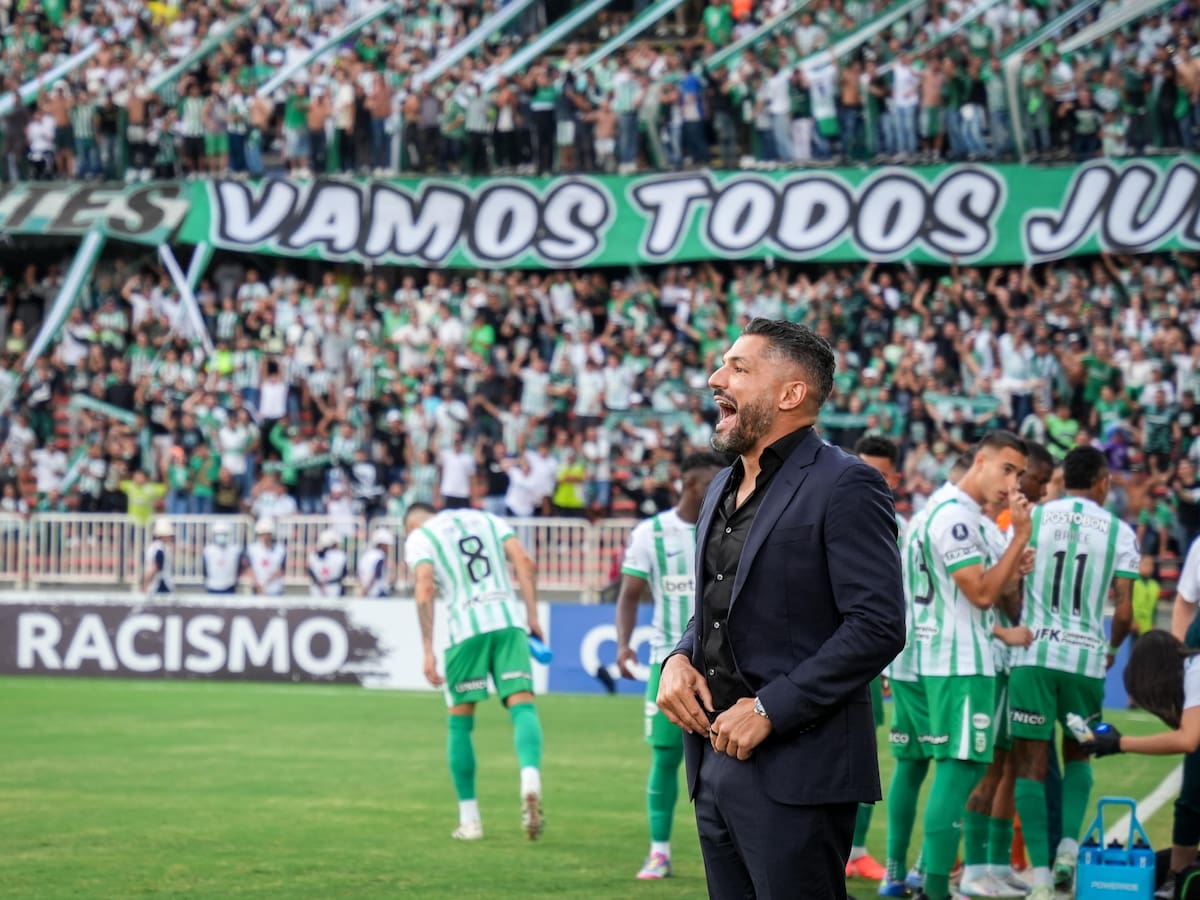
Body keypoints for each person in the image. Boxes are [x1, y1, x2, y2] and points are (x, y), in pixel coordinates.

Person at [654, 317, 906, 899]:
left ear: (791, 394)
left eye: (739, 368)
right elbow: (718, 606)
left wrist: (769, 708)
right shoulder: (718, 487)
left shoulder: (847, 484)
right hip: (713, 762)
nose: (717, 377)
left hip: (798, 769)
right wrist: (678, 657)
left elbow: (876, 626)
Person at [907, 431, 1033, 900]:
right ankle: (933, 886)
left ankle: (932, 881)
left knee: (959, 769)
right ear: (980, 462)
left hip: (950, 656)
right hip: (960, 659)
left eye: (1019, 473)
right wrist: (1020, 535)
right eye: (1007, 469)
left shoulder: (944, 511)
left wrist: (1012, 560)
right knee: (958, 771)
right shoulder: (956, 517)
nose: (1012, 482)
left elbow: (985, 588)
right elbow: (980, 594)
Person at [1008, 445, 1138, 900]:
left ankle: (1040, 879)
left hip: (1035, 654)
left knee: (1031, 765)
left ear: (1064, 479)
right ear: (1102, 482)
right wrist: (1112, 649)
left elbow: (1011, 581)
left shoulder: (1037, 517)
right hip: (1085, 660)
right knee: (1080, 752)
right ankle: (1067, 850)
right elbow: (1123, 610)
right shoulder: (1120, 531)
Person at [404, 502, 545, 842]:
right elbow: (525, 562)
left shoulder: (421, 536)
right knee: (521, 704)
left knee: (460, 722)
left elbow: (424, 585)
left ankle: (470, 820)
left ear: (412, 525)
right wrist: (532, 616)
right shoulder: (487, 519)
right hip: (507, 621)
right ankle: (530, 777)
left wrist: (426, 649)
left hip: (465, 629)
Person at [614, 451, 724, 880]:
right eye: (715, 481)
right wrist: (623, 645)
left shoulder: (727, 524)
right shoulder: (651, 533)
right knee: (664, 759)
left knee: (727, 762)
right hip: (667, 664)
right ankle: (658, 851)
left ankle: (733, 849)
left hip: (720, 665)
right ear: (693, 485)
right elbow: (628, 594)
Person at [881, 451, 976, 897]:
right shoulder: (958, 517)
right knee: (952, 763)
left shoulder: (916, 519)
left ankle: (894, 872)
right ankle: (926, 871)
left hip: (907, 655)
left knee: (910, 763)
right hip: (946, 657)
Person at [1085, 629, 1200, 899]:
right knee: (1161, 864)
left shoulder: (1195, 670)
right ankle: (1176, 880)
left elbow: (1187, 740)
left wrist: (1119, 743)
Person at [845, 434, 907, 885]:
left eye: (881, 471)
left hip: (868, 664)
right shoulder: (829, 508)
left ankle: (857, 852)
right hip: (825, 659)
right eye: (864, 466)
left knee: (863, 756)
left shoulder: (896, 523)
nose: (872, 477)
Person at [246, 518, 286, 596]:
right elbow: (249, 568)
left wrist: (266, 583)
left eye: (268, 533)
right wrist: (257, 584)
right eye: (263, 533)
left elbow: (281, 570)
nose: (265, 536)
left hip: (275, 589)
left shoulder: (280, 550)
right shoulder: (252, 549)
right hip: (257, 589)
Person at [202, 521, 244, 594]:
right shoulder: (208, 550)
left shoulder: (235, 550)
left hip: (229, 586)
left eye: (224, 534)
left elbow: (239, 567)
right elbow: (205, 570)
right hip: (212, 586)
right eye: (219, 534)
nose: (221, 536)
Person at [308, 529, 348, 598]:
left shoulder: (313, 556)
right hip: (334, 587)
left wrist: (321, 584)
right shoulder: (341, 556)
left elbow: (311, 573)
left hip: (317, 588)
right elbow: (343, 574)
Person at [143, 518, 176, 597]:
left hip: (158, 584)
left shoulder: (154, 547)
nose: (171, 537)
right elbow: (154, 567)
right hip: (160, 585)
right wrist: (145, 584)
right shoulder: (159, 549)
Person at [358, 527, 394, 598]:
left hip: (367, 591)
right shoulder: (380, 556)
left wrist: (363, 589)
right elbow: (376, 574)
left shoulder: (366, 555)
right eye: (387, 545)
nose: (389, 548)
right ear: (382, 544)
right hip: (377, 591)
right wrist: (366, 589)